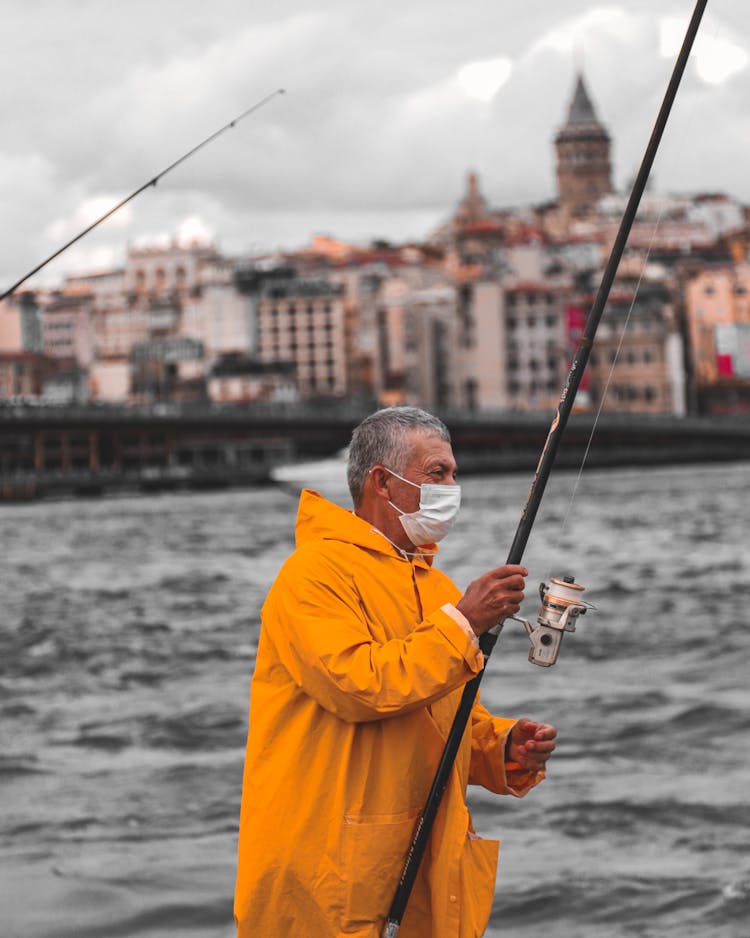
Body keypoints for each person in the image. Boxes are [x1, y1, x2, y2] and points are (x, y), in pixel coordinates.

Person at [234, 406, 557, 938]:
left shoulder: (438, 588)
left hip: (418, 864)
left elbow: (443, 722)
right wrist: (466, 622)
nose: (452, 486)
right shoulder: (313, 574)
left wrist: (501, 748)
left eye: (453, 473)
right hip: (327, 874)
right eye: (437, 473)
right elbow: (360, 686)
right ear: (382, 482)